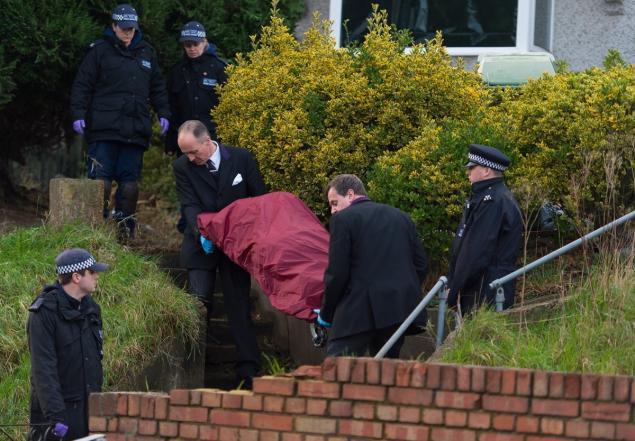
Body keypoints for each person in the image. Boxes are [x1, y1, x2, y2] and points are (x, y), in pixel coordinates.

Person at [172, 119, 266, 388]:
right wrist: (201, 231)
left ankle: (248, 369)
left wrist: (251, 238)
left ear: (207, 141)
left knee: (238, 303)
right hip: (200, 242)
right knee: (198, 304)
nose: (191, 158)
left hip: (235, 244)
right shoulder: (182, 167)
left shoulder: (241, 158)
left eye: (194, 152)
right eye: (186, 154)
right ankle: (191, 369)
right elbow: (189, 204)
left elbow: (258, 199)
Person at [70, 3, 171, 238]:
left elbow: (158, 88)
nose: (128, 32)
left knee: (130, 186)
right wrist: (77, 114)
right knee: (100, 184)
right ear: (113, 26)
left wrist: (164, 112)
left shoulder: (147, 52)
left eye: (132, 29)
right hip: (104, 129)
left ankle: (125, 233)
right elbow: (82, 85)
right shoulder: (98, 51)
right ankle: (94, 232)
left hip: (135, 130)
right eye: (124, 28)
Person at [315, 174, 428, 358]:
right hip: (397, 312)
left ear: (350, 194)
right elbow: (421, 264)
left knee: (337, 371)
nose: (333, 211)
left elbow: (337, 273)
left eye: (334, 203)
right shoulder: (402, 218)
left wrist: (326, 314)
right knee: (385, 374)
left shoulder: (343, 220)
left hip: (356, 313)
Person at [27, 248, 109, 441]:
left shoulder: (92, 310)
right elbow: (43, 370)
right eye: (92, 272)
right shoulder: (43, 313)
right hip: (58, 417)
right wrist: (56, 419)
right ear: (76, 277)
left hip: (89, 412)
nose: (96, 276)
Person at [447, 144, 523, 315]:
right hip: (480, 289)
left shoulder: (493, 202)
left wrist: (455, 289)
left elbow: (475, 251)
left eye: (472, 168)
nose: (468, 173)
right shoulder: (488, 197)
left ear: (486, 171)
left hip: (484, 292)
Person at [165, 21, 228, 154]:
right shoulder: (177, 70)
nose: (192, 48)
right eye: (188, 45)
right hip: (185, 136)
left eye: (196, 44)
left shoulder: (219, 68)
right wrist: (170, 140)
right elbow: (172, 107)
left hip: (212, 137)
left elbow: (230, 105)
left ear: (205, 42)